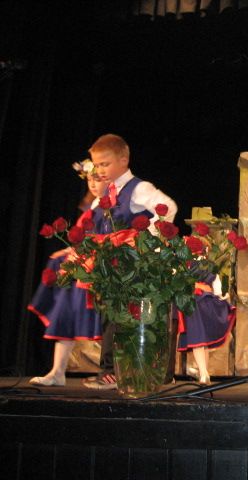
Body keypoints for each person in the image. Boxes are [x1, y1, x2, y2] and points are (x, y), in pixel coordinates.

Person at [83, 133, 178, 390]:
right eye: (97, 165)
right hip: (112, 268)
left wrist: (143, 240)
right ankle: (113, 372)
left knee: (124, 318)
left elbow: (168, 207)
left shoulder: (138, 188)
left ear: (123, 160)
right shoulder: (105, 194)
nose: (100, 170)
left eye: (105, 164)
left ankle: (117, 373)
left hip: (133, 269)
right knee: (110, 316)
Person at [28, 161, 109, 386]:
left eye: (98, 179)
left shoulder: (112, 208)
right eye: (90, 180)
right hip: (79, 269)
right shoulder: (92, 208)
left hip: (97, 274)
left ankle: (116, 374)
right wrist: (68, 251)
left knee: (110, 325)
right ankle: (57, 372)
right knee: (64, 315)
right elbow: (83, 239)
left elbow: (106, 239)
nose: (93, 184)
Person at [177, 269, 236, 385]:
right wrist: (198, 285)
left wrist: (221, 295)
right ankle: (203, 373)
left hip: (201, 304)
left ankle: (203, 373)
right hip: (195, 303)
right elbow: (178, 280)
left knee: (200, 340)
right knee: (200, 339)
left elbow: (217, 287)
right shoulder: (189, 264)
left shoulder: (204, 266)